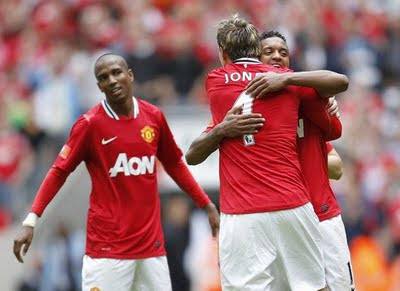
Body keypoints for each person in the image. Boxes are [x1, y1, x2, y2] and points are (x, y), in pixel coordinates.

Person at [13, 53, 220, 291]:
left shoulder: (153, 117)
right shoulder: (90, 124)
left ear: (130, 76)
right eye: (103, 77)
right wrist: (31, 219)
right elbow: (59, 172)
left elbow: (174, 164)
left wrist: (206, 204)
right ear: (99, 86)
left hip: (151, 250)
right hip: (107, 252)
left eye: (116, 73)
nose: (111, 80)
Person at [187, 29, 354, 290]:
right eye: (269, 52)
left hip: (319, 216)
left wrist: (316, 95)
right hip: (274, 220)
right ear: (255, 61)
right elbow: (193, 153)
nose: (277, 56)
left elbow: (337, 166)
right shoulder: (238, 113)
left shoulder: (305, 97)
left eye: (283, 52)